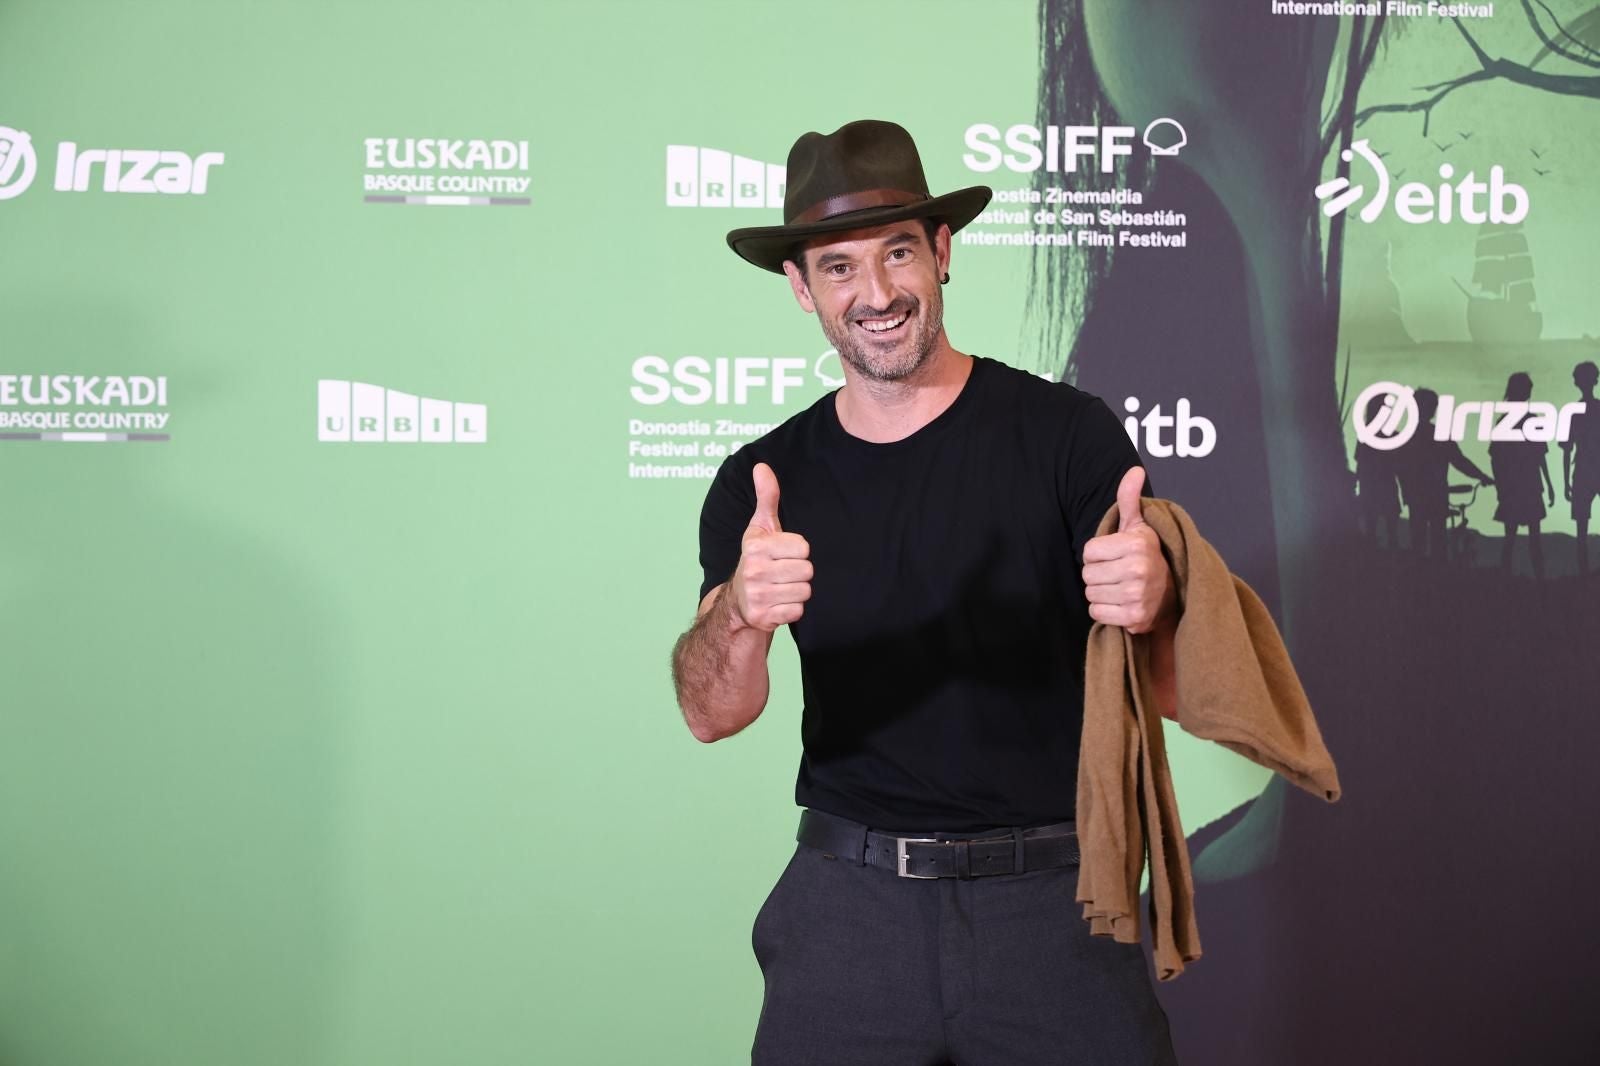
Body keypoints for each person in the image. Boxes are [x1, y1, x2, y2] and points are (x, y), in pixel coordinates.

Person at [669, 119, 1181, 1065]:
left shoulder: (1067, 435)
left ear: (942, 253)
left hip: (1058, 904)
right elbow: (710, 714)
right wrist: (739, 612)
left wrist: (1153, 599)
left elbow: (1170, 675)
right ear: (801, 288)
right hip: (849, 910)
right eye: (839, 267)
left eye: (898, 252)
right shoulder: (763, 481)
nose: (876, 294)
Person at [1488, 372, 1555, 578]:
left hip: (1518, 487)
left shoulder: (1506, 421)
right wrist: (1549, 484)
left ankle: (1509, 582)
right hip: (1525, 486)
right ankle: (1536, 583)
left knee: (1512, 539)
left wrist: (1501, 487)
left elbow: (1496, 459)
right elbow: (1539, 456)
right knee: (1528, 539)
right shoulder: (1527, 421)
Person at [1561, 360, 1600, 575]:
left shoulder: (1572, 413)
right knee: (1581, 530)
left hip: (1583, 472)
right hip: (1589, 471)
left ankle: (1584, 576)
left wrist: (1565, 482)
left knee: (1581, 531)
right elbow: (1567, 450)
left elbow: (1566, 451)